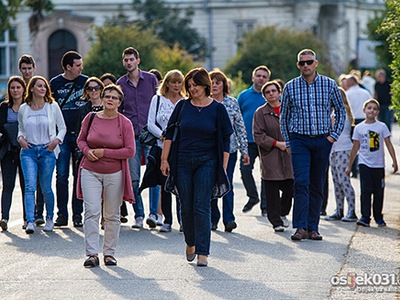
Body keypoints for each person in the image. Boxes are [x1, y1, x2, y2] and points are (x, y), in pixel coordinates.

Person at [160, 68, 233, 267]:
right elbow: (169, 134)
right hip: (182, 160)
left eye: (195, 85)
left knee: (201, 206)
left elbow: (226, 139)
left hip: (207, 161)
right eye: (189, 86)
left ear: (205, 85)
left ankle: (203, 252)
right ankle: (190, 242)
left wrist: (223, 167)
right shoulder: (183, 106)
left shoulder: (217, 109)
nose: (192, 89)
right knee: (186, 206)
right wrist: (164, 160)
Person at [280, 49, 345, 241]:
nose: (306, 66)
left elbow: (341, 111)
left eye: (309, 62)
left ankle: (313, 227)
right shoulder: (291, 87)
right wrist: (289, 141)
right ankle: (299, 227)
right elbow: (284, 117)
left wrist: (333, 136)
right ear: (298, 65)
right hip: (299, 140)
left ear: (315, 63)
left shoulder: (329, 84)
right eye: (302, 63)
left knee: (317, 184)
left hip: (322, 140)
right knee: (300, 182)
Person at [77, 84, 135, 268]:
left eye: (114, 97)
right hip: (90, 170)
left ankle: (109, 254)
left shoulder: (125, 123)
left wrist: (104, 152)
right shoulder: (91, 117)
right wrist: (86, 151)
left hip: (114, 173)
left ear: (119, 102)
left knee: (111, 214)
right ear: (101, 98)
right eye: (107, 96)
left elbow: (130, 151)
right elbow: (81, 140)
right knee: (92, 212)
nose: (110, 99)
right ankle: (92, 253)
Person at [116, 47, 160, 229]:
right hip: (131, 136)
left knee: (154, 175)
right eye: (126, 60)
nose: (128, 62)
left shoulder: (150, 79)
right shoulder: (120, 83)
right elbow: (118, 110)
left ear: (138, 60)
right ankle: (139, 215)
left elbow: (159, 103)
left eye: (131, 59)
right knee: (134, 178)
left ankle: (153, 214)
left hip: (150, 134)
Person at [18, 76, 67, 234]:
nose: (43, 88)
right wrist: (20, 138)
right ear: (31, 88)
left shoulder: (52, 106)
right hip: (28, 151)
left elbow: (63, 128)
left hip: (47, 150)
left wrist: (56, 142)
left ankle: (50, 218)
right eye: (39, 86)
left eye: (44, 86)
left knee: (46, 187)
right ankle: (30, 221)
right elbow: (21, 129)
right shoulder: (24, 108)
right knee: (30, 186)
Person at [142, 69, 185, 233]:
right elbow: (150, 122)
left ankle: (183, 220)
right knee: (165, 184)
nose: (176, 85)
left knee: (182, 185)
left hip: (181, 149)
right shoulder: (158, 99)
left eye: (179, 82)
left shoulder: (186, 101)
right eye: (173, 82)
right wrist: (163, 136)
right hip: (161, 147)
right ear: (166, 83)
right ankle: (167, 220)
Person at [50, 50, 88, 228]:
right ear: (68, 67)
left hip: (81, 135)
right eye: (78, 65)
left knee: (79, 176)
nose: (81, 68)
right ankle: (62, 215)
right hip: (62, 136)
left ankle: (78, 215)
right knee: (62, 176)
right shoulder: (55, 83)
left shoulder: (85, 82)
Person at [345, 99, 398, 227]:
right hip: (364, 163)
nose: (371, 110)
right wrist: (349, 165)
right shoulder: (359, 128)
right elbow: (355, 148)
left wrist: (395, 161)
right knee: (365, 190)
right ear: (364, 110)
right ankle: (365, 216)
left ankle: (378, 216)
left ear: (377, 112)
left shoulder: (382, 127)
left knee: (379, 191)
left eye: (374, 109)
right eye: (369, 108)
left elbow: (389, 145)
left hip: (378, 164)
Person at [209, 69, 249, 232]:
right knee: (210, 184)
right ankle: (213, 217)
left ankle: (229, 218)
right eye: (212, 82)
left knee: (226, 183)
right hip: (209, 150)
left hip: (229, 150)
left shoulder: (232, 103)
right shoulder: (204, 102)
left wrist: (244, 150)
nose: (214, 85)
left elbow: (239, 126)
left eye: (218, 82)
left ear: (224, 85)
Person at [253, 81, 293, 232]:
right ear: (264, 96)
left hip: (289, 154)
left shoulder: (289, 109)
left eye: (273, 91)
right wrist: (276, 143)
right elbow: (258, 135)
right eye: (267, 92)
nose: (271, 94)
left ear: (279, 92)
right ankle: (275, 221)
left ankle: (283, 213)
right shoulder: (260, 112)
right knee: (272, 191)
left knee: (290, 187)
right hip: (271, 155)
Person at [237, 65, 270, 215]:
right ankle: (253, 196)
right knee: (245, 170)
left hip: (267, 141)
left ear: (268, 79)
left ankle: (265, 206)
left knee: (267, 174)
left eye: (264, 76)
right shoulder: (243, 96)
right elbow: (237, 117)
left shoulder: (271, 95)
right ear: (253, 78)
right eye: (259, 76)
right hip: (248, 141)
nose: (261, 78)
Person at [325, 88, 357, 222]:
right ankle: (339, 210)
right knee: (336, 181)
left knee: (344, 181)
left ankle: (351, 210)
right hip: (334, 149)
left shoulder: (341, 110)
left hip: (343, 148)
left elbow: (331, 128)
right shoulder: (333, 111)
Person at [0, 77, 26, 231]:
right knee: (8, 184)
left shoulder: (29, 106)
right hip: (8, 149)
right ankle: (4, 217)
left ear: (23, 89)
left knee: (26, 186)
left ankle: (27, 218)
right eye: (13, 88)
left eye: (18, 87)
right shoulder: (3, 107)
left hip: (26, 150)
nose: (15, 90)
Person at [345, 74, 372, 179]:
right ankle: (366, 167)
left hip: (353, 121)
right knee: (366, 145)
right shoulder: (365, 93)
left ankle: (354, 169)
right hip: (365, 120)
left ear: (351, 82)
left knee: (354, 146)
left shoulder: (348, 94)